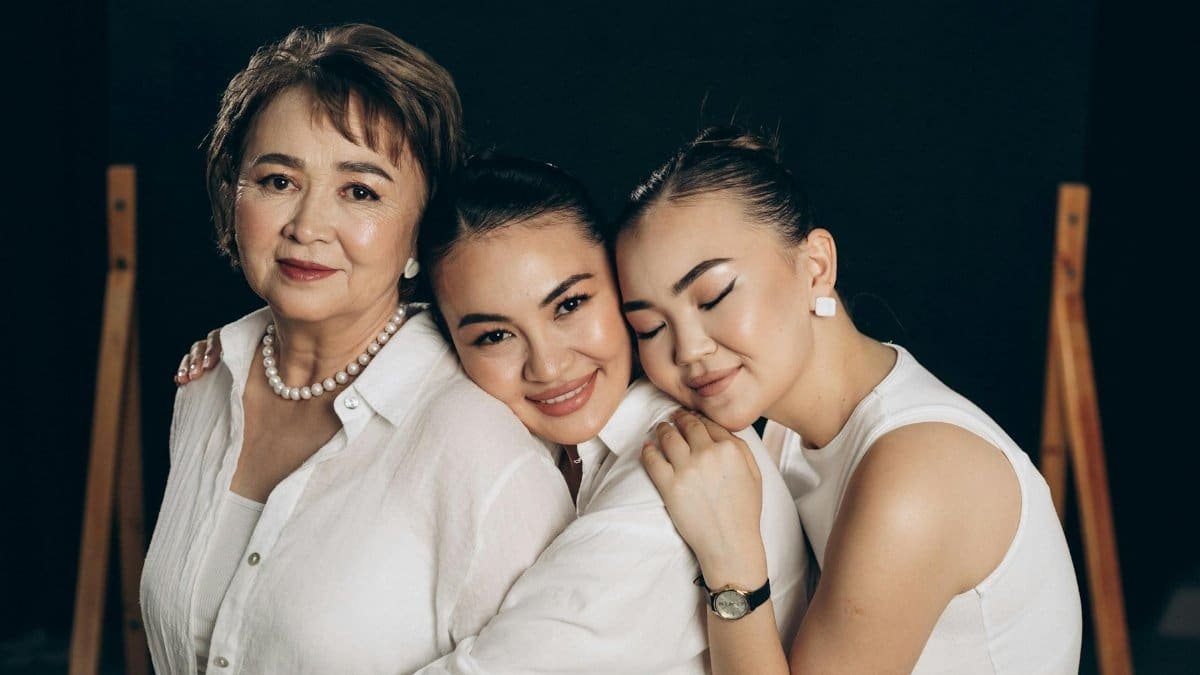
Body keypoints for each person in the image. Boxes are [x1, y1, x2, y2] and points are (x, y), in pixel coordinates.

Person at [181, 154, 811, 673]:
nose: (547, 365)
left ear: (621, 285)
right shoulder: (543, 437)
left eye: (568, 305)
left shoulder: (667, 478)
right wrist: (252, 340)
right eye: (493, 336)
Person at [141, 25, 575, 675]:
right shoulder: (206, 382)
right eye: (278, 180)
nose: (308, 226)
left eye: (361, 191)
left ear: (417, 234)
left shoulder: (478, 439)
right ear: (234, 192)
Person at [616, 126, 1083, 674]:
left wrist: (730, 559)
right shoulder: (795, 428)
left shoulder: (917, 474)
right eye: (649, 328)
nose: (688, 349)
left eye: (714, 295)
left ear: (816, 266)